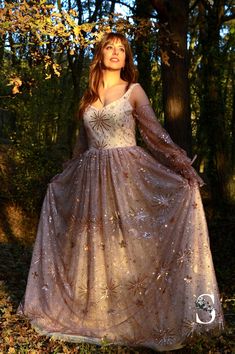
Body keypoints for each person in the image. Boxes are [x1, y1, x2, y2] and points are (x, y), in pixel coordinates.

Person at [18, 32, 224, 352]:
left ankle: (139, 314)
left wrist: (183, 166)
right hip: (89, 179)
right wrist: (63, 177)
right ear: (100, 55)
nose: (116, 53)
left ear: (127, 58)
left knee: (129, 240)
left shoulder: (133, 90)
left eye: (121, 50)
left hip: (127, 173)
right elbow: (81, 145)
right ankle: (97, 312)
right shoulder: (86, 97)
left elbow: (155, 134)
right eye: (109, 48)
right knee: (94, 242)